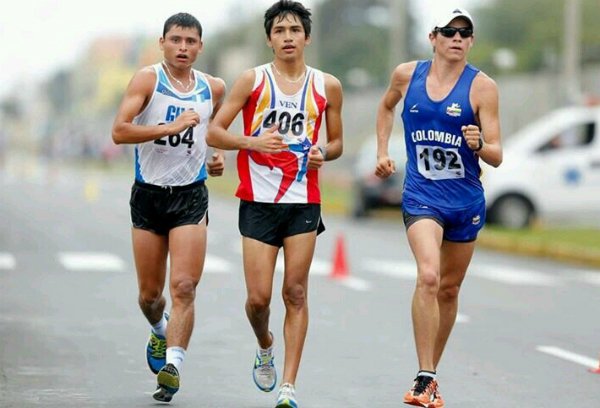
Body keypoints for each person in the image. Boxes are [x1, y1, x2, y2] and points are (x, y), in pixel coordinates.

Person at [206, 1, 343, 406]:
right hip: (259, 201)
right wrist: (252, 142)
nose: (287, 37)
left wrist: (324, 152)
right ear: (269, 38)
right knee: (258, 299)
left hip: (303, 201)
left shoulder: (327, 85)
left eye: (294, 31)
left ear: (307, 37)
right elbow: (215, 132)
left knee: (296, 293)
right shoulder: (252, 81)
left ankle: (288, 386)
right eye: (280, 31)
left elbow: (336, 143)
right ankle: (265, 343)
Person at [374, 8, 502, 408]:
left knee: (448, 288)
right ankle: (424, 374)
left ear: (471, 41)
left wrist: (480, 143)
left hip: (465, 201)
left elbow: (497, 155)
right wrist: (382, 152)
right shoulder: (406, 75)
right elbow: (385, 108)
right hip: (421, 195)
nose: (457, 39)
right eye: (449, 32)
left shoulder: (482, 88)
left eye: (465, 33)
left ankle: (431, 377)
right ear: (433, 37)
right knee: (428, 275)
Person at [111, 12, 226, 403]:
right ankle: (160, 331)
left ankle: (173, 367)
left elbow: (213, 130)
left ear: (200, 46)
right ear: (162, 43)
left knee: (184, 287)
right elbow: (120, 130)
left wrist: (214, 156)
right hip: (148, 195)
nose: (182, 47)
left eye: (190, 41)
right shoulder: (148, 79)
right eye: (175, 40)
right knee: (149, 296)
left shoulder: (214, 88)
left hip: (190, 196)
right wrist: (167, 129)